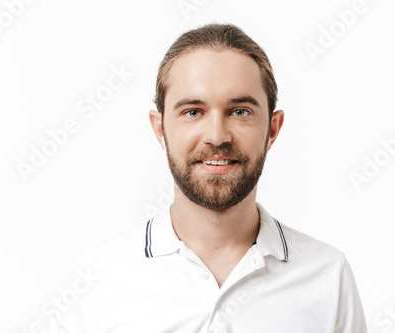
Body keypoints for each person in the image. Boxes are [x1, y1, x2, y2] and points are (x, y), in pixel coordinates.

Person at [51, 23, 367, 333]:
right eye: (193, 112)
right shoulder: (100, 279)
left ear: (272, 129)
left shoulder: (328, 276)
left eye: (240, 111)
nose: (216, 136)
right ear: (160, 129)